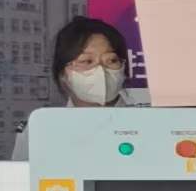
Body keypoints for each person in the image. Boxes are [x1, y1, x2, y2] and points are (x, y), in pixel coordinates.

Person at [10, 15, 131, 159]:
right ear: (63, 74)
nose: (100, 71)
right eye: (86, 61)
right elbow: (22, 178)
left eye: (111, 60)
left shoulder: (150, 117)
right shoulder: (43, 127)